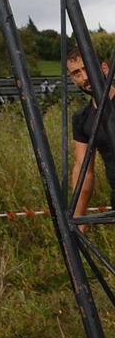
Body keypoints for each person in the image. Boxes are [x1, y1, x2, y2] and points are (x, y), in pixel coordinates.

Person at [66, 47, 114, 216]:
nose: (84, 77)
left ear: (104, 67)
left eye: (87, 68)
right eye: (77, 73)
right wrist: (78, 221)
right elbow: (83, 171)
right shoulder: (82, 119)